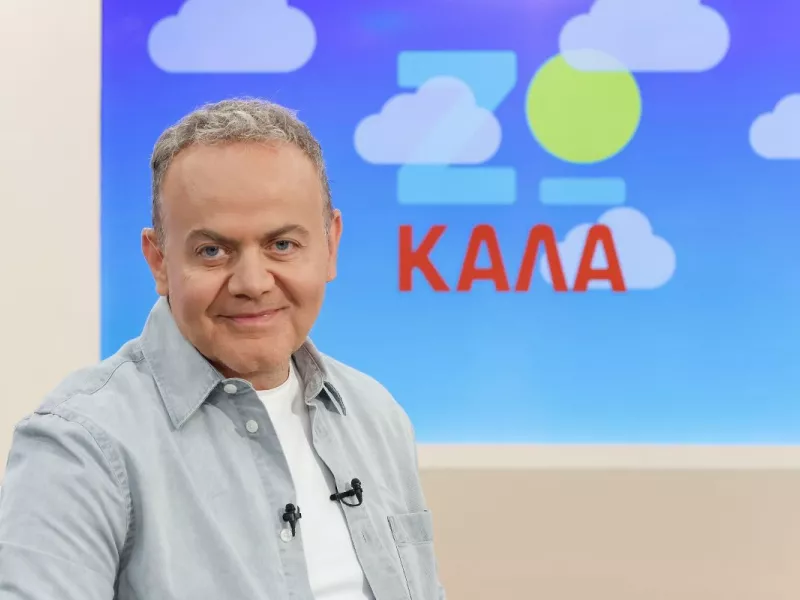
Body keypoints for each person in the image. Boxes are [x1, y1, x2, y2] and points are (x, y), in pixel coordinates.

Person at [0, 98, 445, 600]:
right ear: (159, 261)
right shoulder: (80, 446)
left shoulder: (377, 417)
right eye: (212, 251)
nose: (252, 283)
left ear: (330, 245)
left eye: (282, 245)